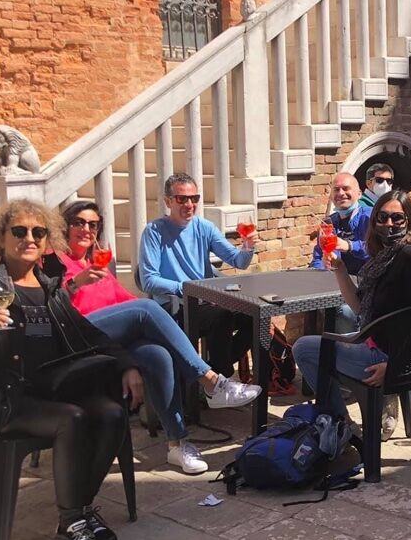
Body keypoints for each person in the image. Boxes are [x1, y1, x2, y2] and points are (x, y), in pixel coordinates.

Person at [0, 200, 143, 540]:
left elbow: (91, 334)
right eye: (19, 231)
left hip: (55, 391)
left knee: (112, 413)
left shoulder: (51, 289)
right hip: (10, 401)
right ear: (2, 238)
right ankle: (69, 529)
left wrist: (128, 364)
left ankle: (79, 511)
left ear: (47, 238)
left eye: (38, 232)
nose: (29, 239)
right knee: (73, 418)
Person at [52, 201, 260, 475]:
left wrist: (132, 353)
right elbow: (52, 307)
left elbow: (123, 300)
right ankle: (211, 382)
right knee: (148, 307)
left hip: (111, 338)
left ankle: (177, 444)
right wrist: (77, 283)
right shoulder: (55, 260)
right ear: (66, 225)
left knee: (160, 356)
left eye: (93, 224)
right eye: (79, 222)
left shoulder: (97, 260)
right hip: (78, 334)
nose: (86, 229)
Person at [293, 191, 411, 423]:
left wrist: (394, 366)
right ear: (375, 220)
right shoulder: (384, 257)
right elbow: (360, 308)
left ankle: (339, 423)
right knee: (319, 344)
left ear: (408, 221)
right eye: (382, 217)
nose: (389, 223)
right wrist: (339, 268)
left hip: (385, 356)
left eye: (397, 218)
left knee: (304, 349)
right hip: (371, 340)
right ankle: (342, 420)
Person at [138, 173, 258, 378]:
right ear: (168, 201)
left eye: (194, 198)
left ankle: (210, 373)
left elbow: (239, 262)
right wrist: (188, 288)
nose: (189, 204)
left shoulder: (204, 227)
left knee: (255, 317)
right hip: (175, 306)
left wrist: (248, 247)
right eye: (182, 198)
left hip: (205, 303)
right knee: (222, 316)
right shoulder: (154, 231)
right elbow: (148, 280)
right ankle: (220, 380)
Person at [312, 172, 371, 275]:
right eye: (336, 189)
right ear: (331, 196)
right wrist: (320, 271)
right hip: (337, 283)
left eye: (346, 188)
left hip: (367, 282)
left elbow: (378, 249)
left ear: (359, 194)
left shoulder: (370, 216)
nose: (341, 193)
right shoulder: (328, 224)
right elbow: (318, 257)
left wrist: (349, 246)